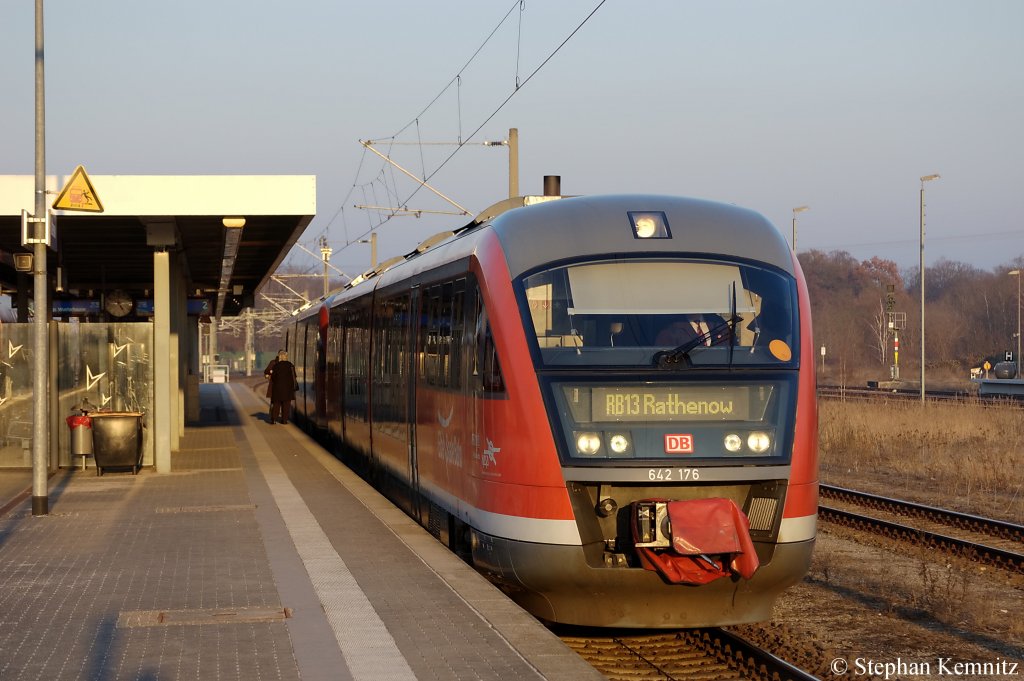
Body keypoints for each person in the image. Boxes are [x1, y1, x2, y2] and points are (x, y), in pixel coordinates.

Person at [263, 350, 297, 424]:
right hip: (288, 389)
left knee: (276, 405)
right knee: (286, 405)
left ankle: (274, 419)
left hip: (277, 389)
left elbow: (273, 377)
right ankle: (284, 420)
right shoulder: (291, 365)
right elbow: (294, 376)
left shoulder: (276, 366)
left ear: (280, 357)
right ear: (286, 357)